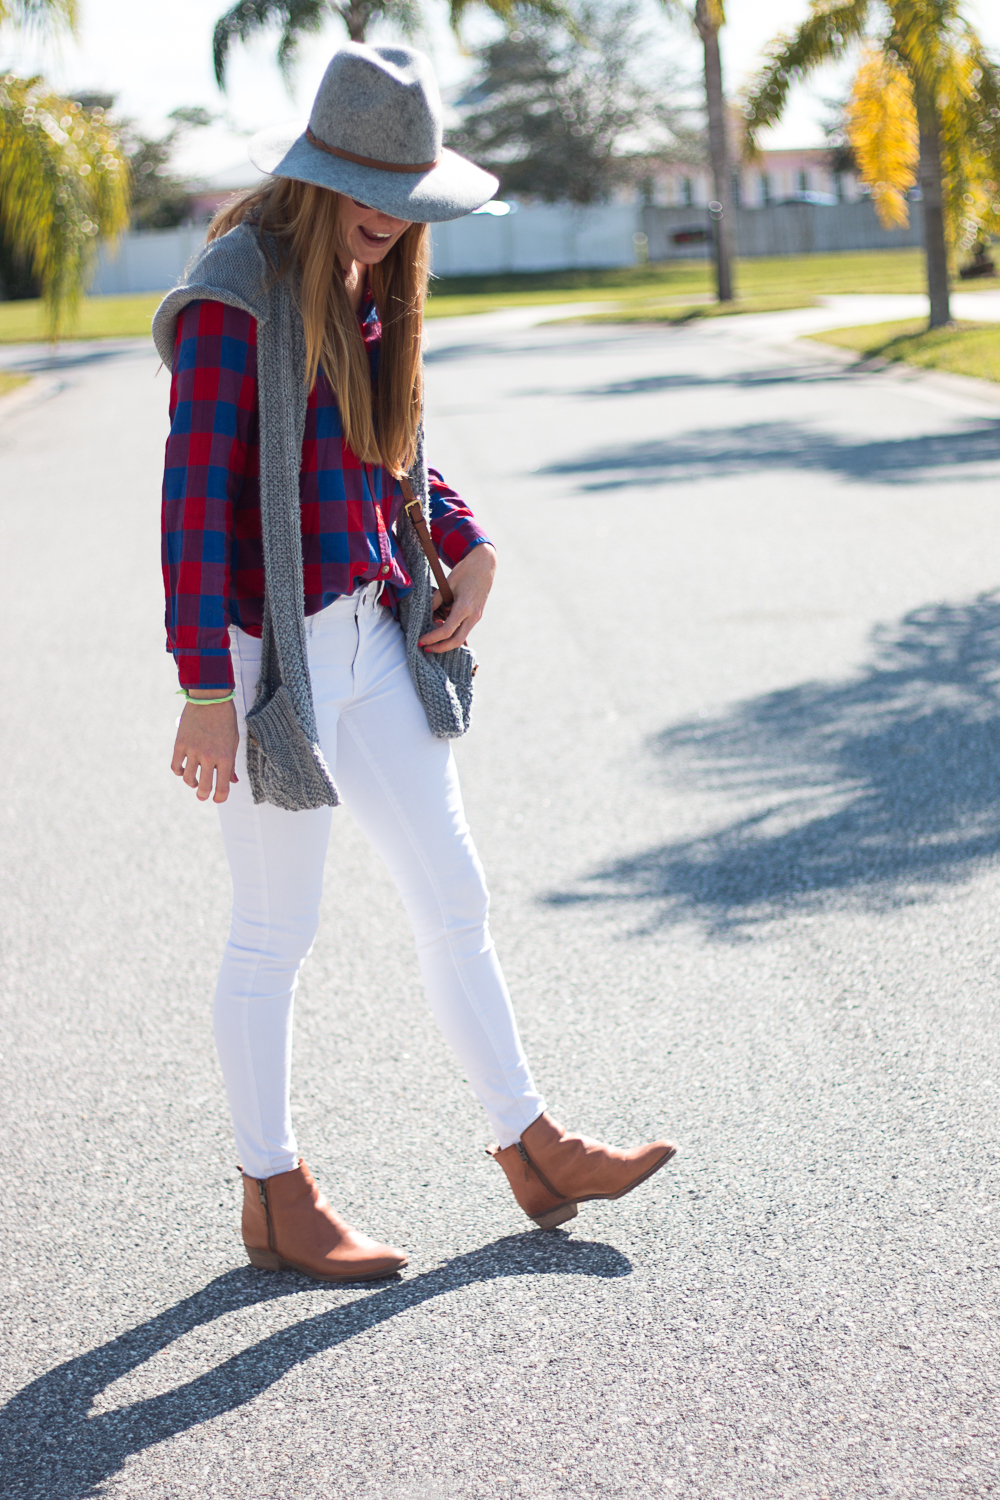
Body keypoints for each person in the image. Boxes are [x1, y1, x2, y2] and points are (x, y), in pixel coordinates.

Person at [154, 42, 675, 1284]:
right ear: (316, 173)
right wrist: (205, 688)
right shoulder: (239, 289)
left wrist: (467, 540)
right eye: (367, 186)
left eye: (406, 193)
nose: (389, 214)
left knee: (454, 891)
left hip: (371, 631)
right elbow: (189, 500)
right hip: (267, 655)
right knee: (276, 929)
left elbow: (395, 454)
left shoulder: (368, 281)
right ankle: (274, 1192)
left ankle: (533, 1146)